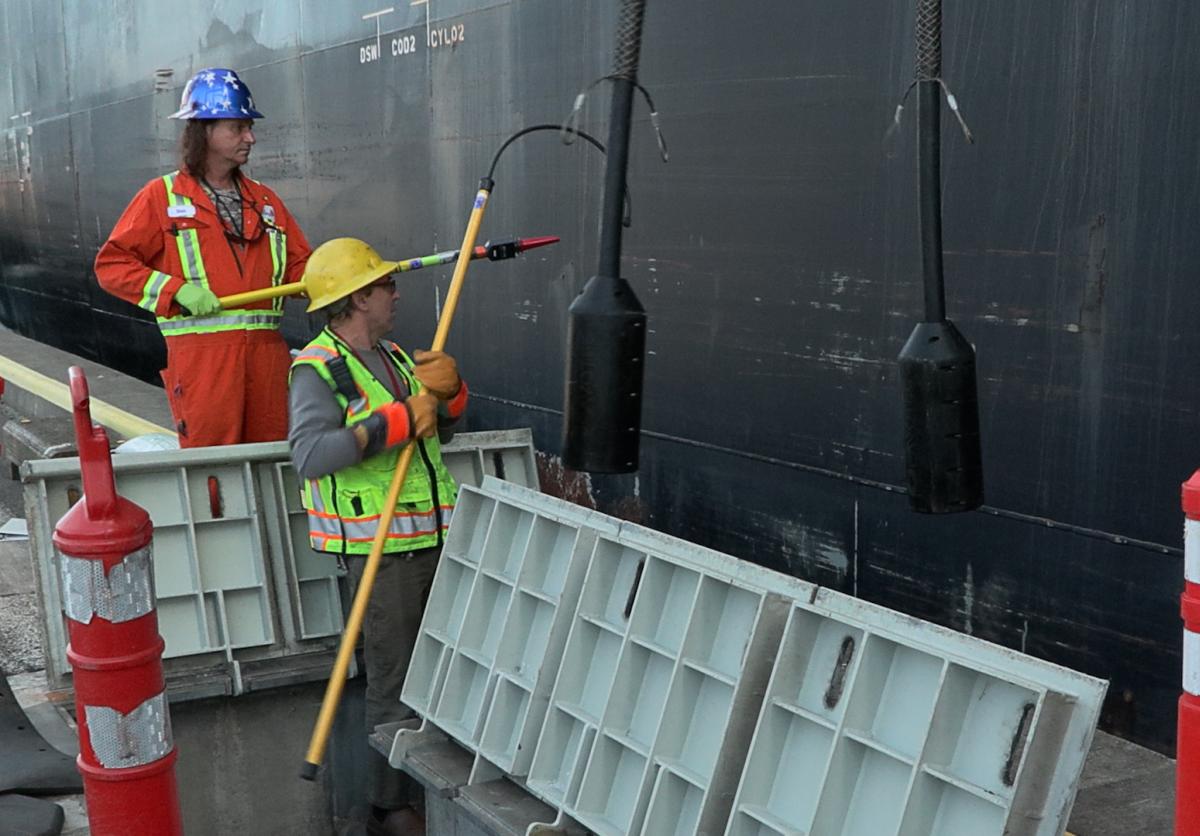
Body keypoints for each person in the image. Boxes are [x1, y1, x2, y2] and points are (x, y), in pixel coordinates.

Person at [288, 237, 468, 836]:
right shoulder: (317, 368)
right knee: (394, 683)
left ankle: (429, 793)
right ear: (358, 298)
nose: (395, 290)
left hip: (432, 539)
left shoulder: (393, 355)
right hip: (381, 555)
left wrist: (449, 392)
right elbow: (311, 455)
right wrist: (393, 421)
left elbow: (438, 425)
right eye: (384, 284)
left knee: (439, 673)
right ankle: (392, 809)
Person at [94, 67, 311, 447]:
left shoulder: (265, 201)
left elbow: (299, 268)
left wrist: (335, 275)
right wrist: (176, 291)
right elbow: (112, 266)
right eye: (238, 128)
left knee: (273, 466)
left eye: (249, 127)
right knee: (214, 478)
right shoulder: (161, 197)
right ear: (205, 131)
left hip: (267, 361)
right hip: (203, 366)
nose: (251, 138)